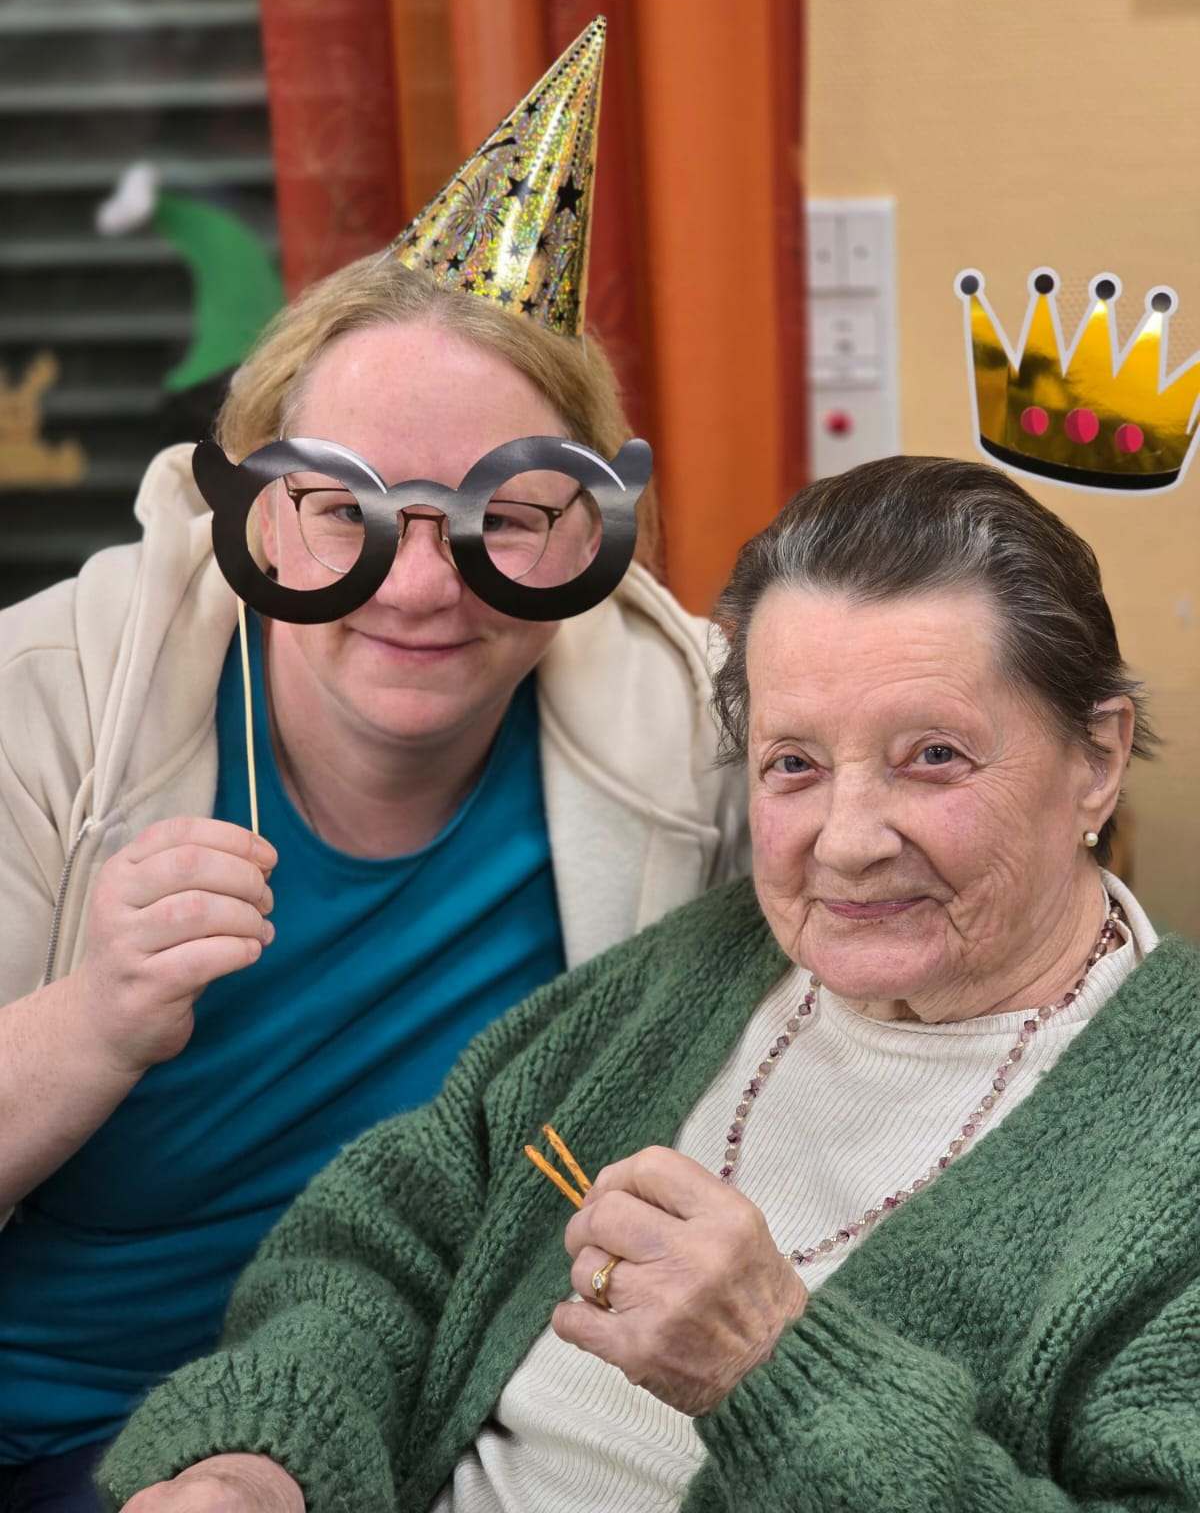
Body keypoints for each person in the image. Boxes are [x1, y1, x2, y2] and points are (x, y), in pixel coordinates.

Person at [96, 453, 1200, 1513]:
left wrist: (774, 1368)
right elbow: (387, 1246)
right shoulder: (704, 966)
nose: (848, 841)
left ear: (1095, 757)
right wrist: (259, 1461)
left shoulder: (1173, 1137)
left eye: (934, 757)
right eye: (795, 765)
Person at [0, 20, 745, 1509]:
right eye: (346, 513)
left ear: (590, 535)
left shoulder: (701, 737)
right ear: (257, 511)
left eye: (507, 518)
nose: (419, 590)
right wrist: (93, 1018)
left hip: (424, 1440)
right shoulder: (50, 700)